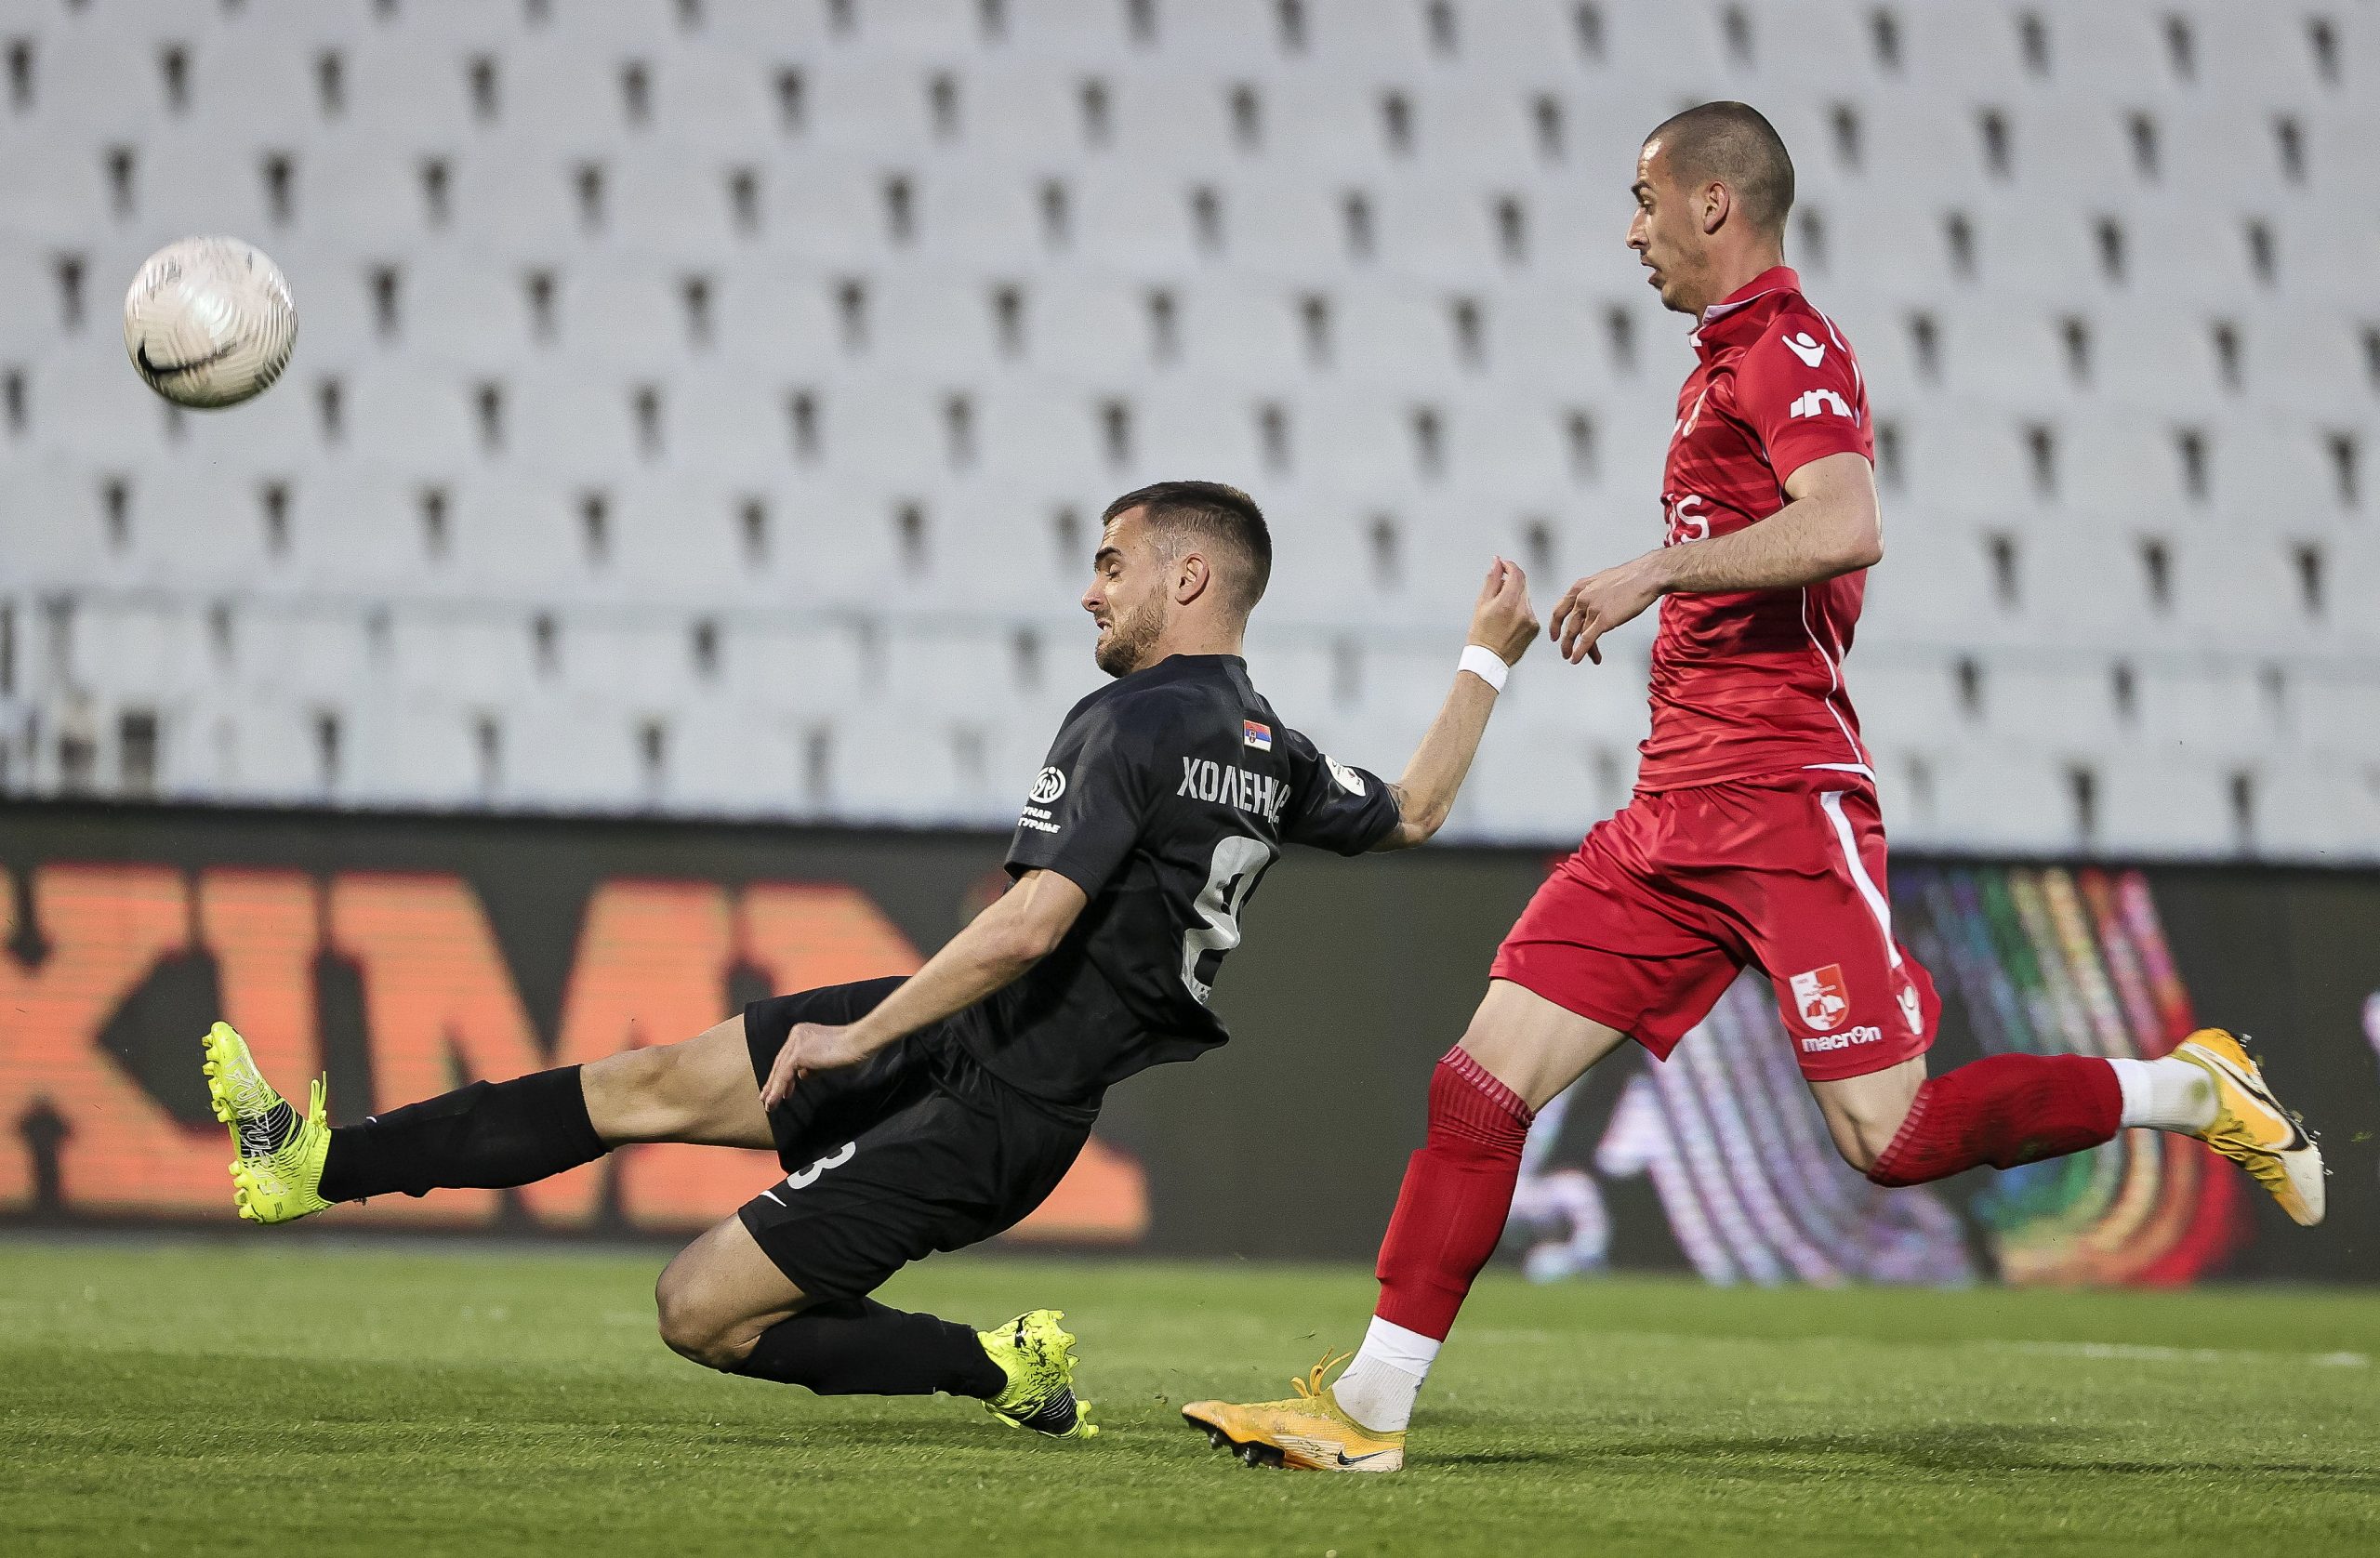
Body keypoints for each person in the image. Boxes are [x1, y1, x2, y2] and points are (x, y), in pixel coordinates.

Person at [1181, 101, 2323, 1474]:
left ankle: (2191, 1095)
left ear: (1715, 203)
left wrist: (1655, 570)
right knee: (1478, 1090)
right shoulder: (1716, 363)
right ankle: (1367, 1411)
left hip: (1785, 803)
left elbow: (1849, 525)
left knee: (1890, 1143)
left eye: (1645, 198)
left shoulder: (1790, 347)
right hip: (1671, 814)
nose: (1631, 228)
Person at [203, 480, 1541, 1443]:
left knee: (697, 1312)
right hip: (973, 1047)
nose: (1092, 587)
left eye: (1112, 561)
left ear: (1188, 578)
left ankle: (991, 1367)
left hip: (999, 1104)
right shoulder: (1271, 750)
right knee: (650, 1083)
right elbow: (1414, 810)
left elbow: (1029, 923)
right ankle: (314, 1162)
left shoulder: (1129, 718)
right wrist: (1487, 656)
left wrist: (853, 1038)